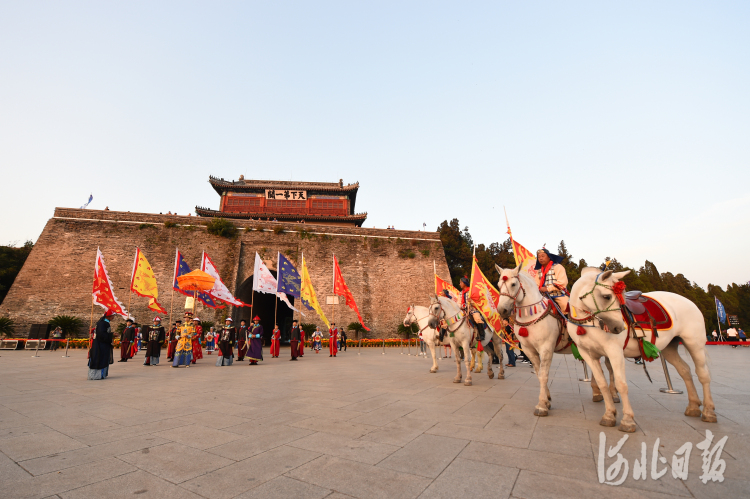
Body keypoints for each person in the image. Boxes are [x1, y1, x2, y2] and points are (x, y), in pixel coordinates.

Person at [534, 248, 569, 315]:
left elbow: (562, 282)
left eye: (543, 256)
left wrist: (547, 289)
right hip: (543, 296)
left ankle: (568, 323)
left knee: (566, 305)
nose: (540, 258)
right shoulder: (539, 271)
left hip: (558, 294)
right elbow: (536, 284)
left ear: (549, 257)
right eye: (539, 257)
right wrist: (539, 289)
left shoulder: (557, 267)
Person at [88, 309, 115, 380]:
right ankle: (96, 375)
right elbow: (101, 334)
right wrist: (112, 335)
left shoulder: (105, 323)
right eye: (113, 316)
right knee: (99, 358)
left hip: (103, 344)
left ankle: (102, 374)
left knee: (103, 358)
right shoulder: (102, 323)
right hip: (100, 345)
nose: (113, 317)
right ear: (109, 316)